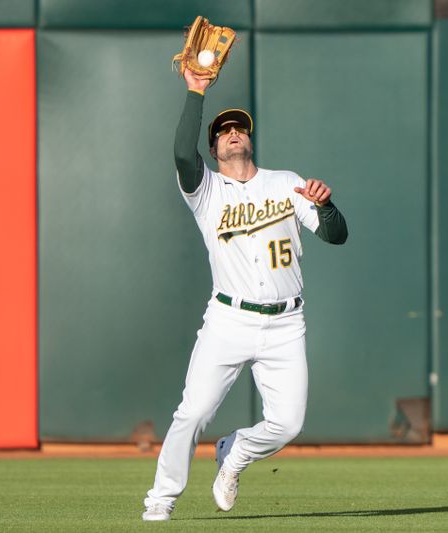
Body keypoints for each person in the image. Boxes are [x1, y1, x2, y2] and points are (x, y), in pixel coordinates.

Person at [141, 67, 348, 521]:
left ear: (249, 140)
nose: (233, 133)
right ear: (214, 148)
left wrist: (327, 205)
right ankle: (161, 497)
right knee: (191, 412)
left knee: (288, 424)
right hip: (229, 320)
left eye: (239, 128)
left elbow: (336, 236)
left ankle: (233, 454)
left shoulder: (285, 182)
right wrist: (196, 92)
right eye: (223, 132)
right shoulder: (206, 190)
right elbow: (181, 152)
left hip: (286, 323)